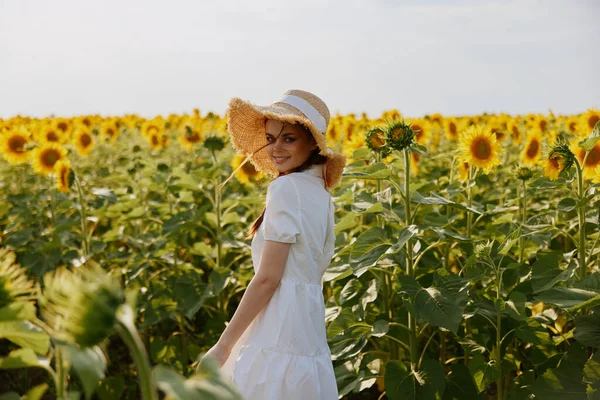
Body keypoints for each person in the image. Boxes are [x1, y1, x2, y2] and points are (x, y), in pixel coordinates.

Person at [200, 89, 346, 399]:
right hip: (307, 331)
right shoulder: (321, 194)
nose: (275, 147)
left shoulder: (286, 189)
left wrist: (223, 346)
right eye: (270, 138)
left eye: (288, 138)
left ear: (312, 143)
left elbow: (268, 279)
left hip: (277, 328)